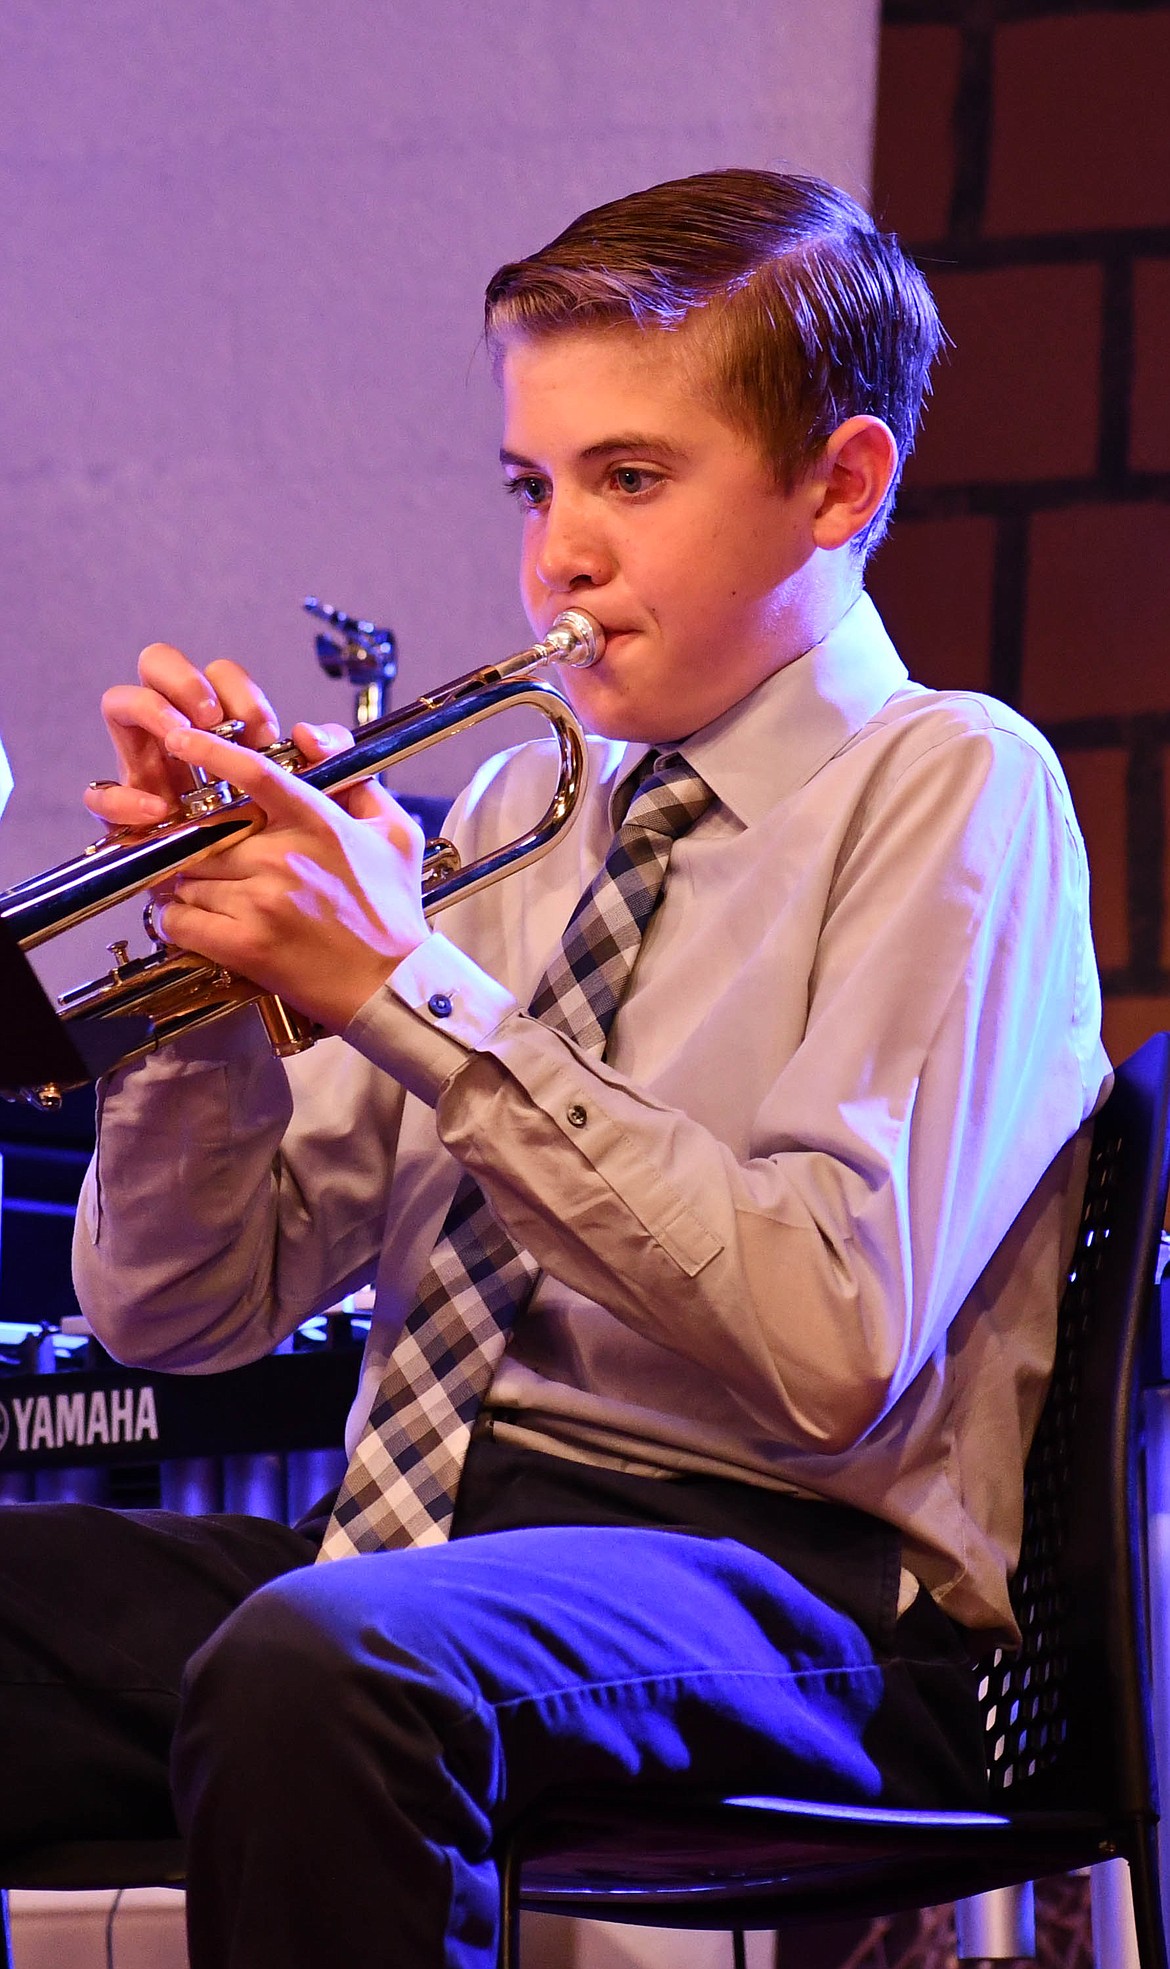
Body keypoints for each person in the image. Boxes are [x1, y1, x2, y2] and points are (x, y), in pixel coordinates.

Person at [4, 170, 1106, 1968]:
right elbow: (178, 1317)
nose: (558, 556)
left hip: (798, 1585)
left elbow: (832, 1347)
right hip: (417, 1545)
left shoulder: (951, 782)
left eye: (630, 478)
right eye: (534, 483)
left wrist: (403, 984)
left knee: (330, 1662)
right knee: (291, 1634)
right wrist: (208, 1006)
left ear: (841, 484)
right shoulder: (521, 811)